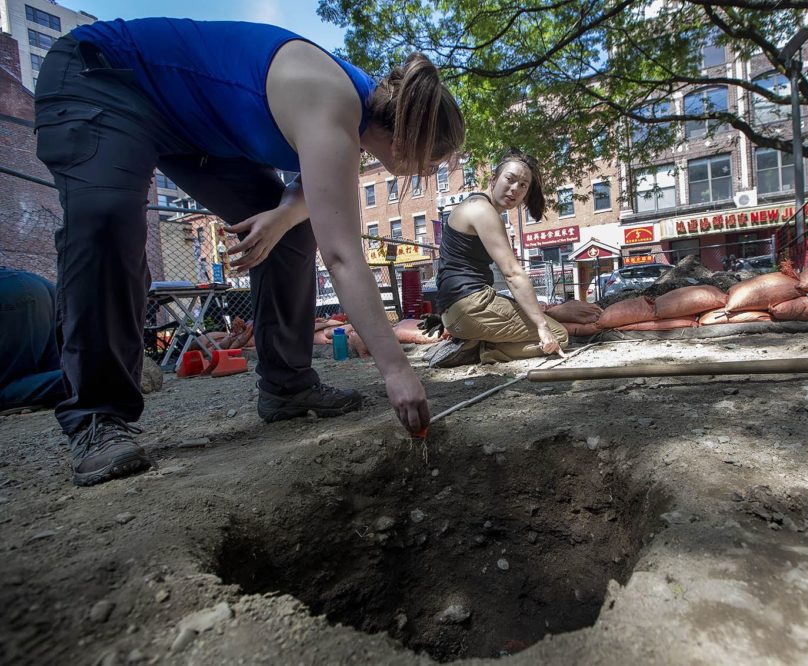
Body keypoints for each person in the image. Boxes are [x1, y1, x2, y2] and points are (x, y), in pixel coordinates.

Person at [34, 18, 464, 486]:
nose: (424, 177)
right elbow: (341, 257)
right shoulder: (333, 102)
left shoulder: (358, 112)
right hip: (104, 77)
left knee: (290, 232)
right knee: (106, 219)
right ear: (404, 143)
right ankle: (98, 416)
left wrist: (280, 215)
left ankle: (287, 387)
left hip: (196, 129)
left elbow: (308, 190)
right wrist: (397, 371)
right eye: (431, 166)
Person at [424, 149, 569, 368]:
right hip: (470, 307)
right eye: (509, 179)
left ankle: (471, 342)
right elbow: (512, 273)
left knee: (537, 320)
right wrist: (541, 326)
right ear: (493, 178)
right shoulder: (483, 211)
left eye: (523, 185)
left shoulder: (479, 207)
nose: (514, 189)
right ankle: (480, 350)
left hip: (456, 310)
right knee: (559, 335)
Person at [0, 268, 68, 413]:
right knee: (54, 371)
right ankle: (114, 374)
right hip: (36, 284)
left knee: (6, 387)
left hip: (10, 296)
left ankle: (105, 377)